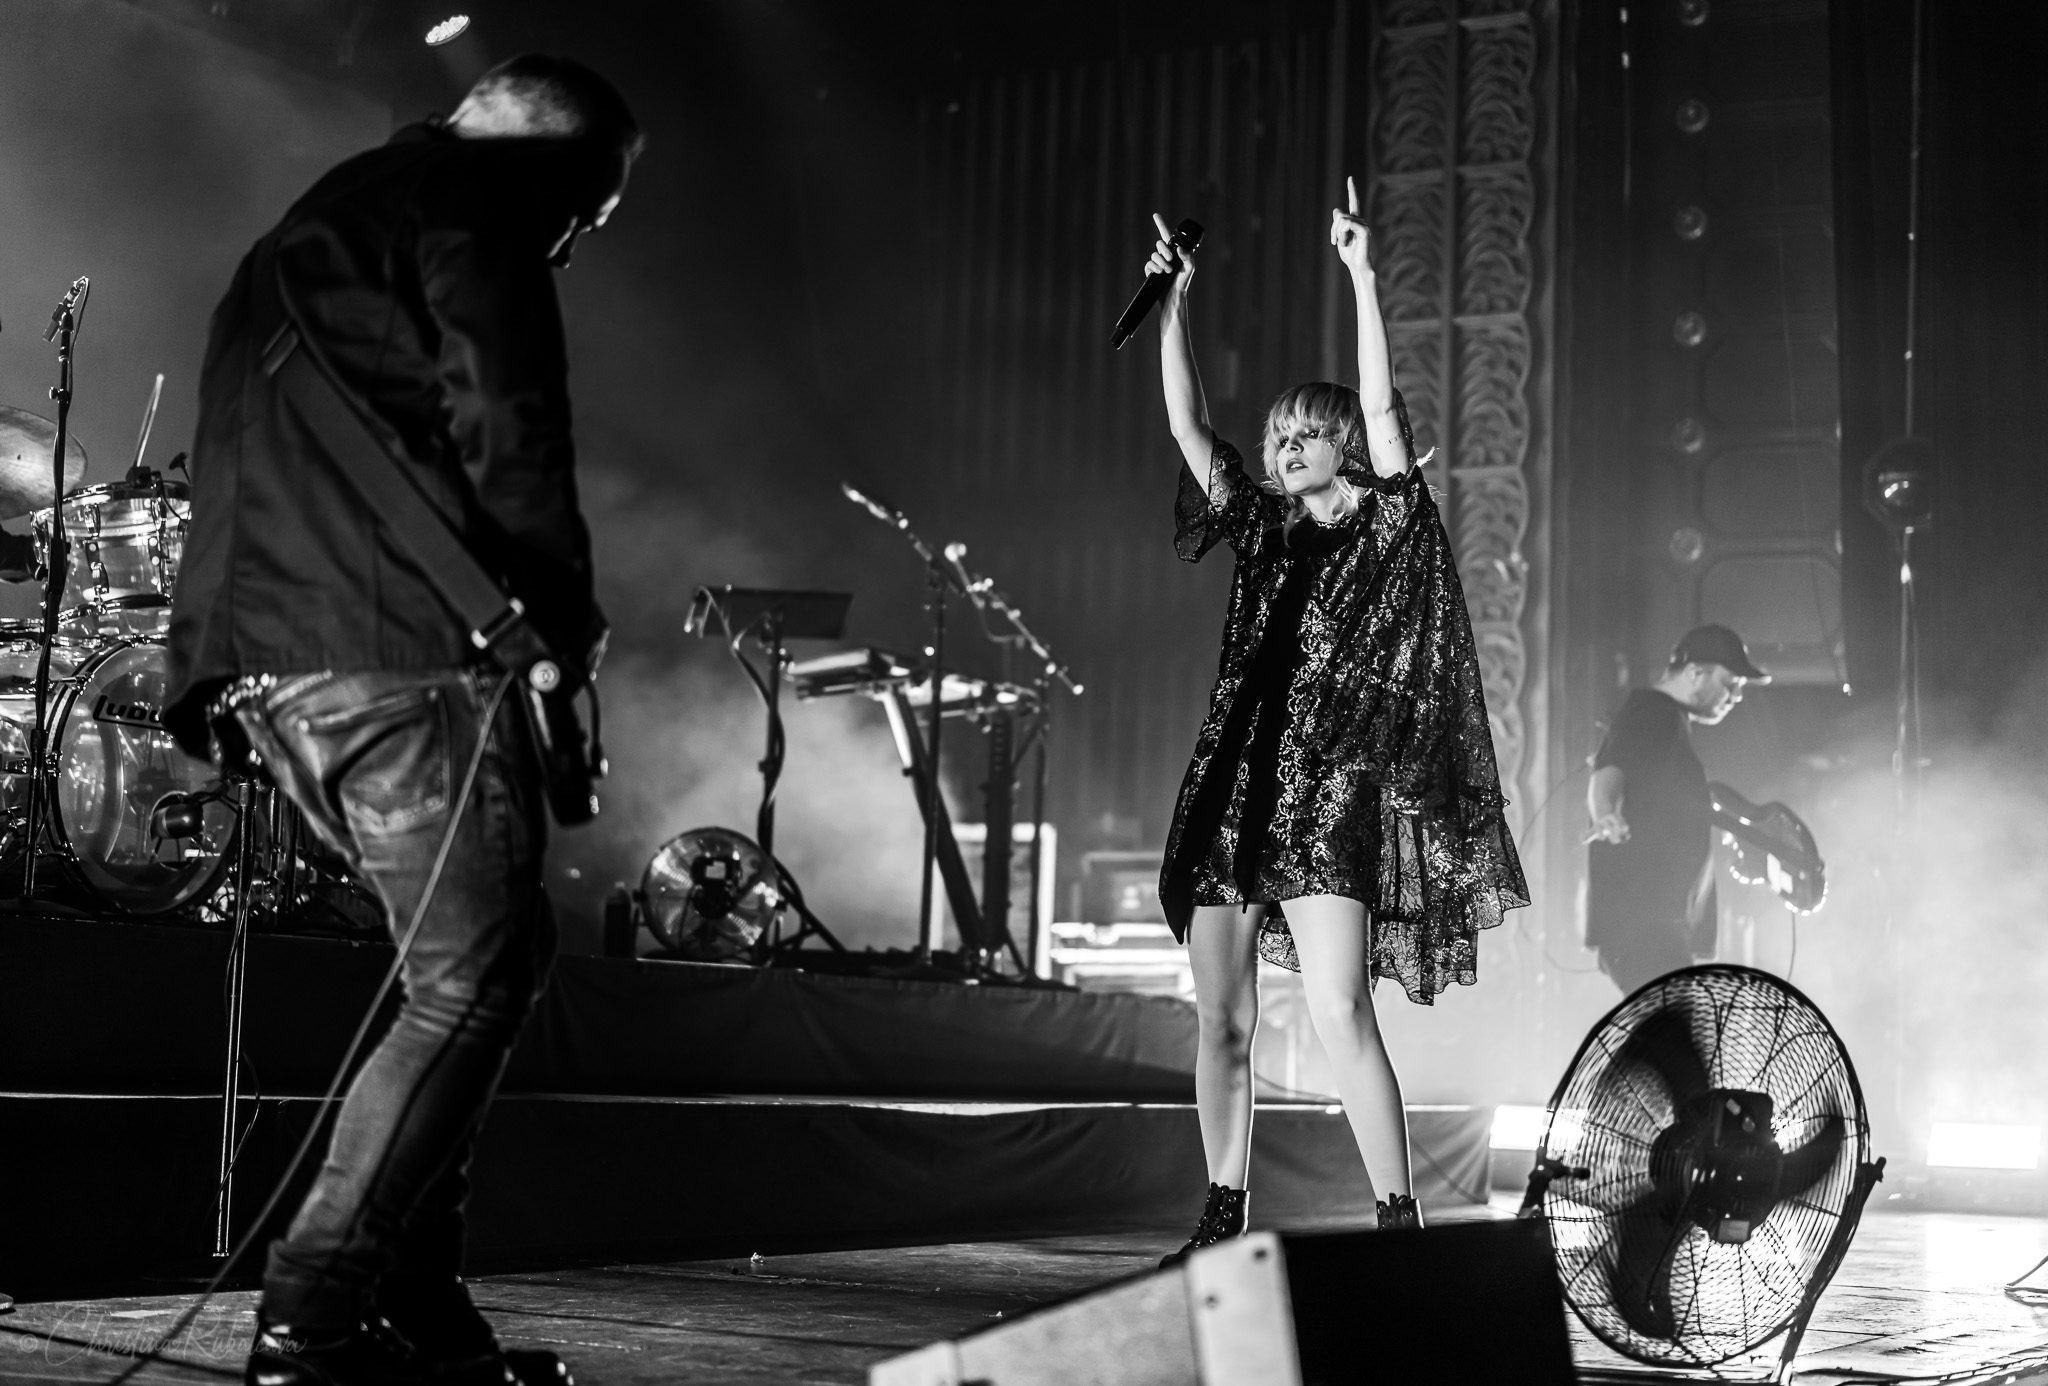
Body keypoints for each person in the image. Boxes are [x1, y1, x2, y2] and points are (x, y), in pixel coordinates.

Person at [164, 54, 641, 1386]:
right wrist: (558, 615)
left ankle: (416, 1310)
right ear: (555, 161)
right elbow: (508, 415)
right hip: (391, 654)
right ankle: (313, 1318)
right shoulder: (478, 201)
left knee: (486, 954)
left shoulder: (316, 222)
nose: (572, 243)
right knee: (472, 979)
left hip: (265, 663)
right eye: (585, 216)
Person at [1149, 181, 1528, 1262]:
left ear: (1341, 447)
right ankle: (1220, 1218)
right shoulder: (1258, 526)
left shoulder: (1385, 525)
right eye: (1277, 437)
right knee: (1219, 1018)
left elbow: (1388, 407)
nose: (1286, 449)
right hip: (1232, 783)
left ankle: (1395, 1220)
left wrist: (1361, 272)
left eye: (1308, 434)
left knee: (1336, 1010)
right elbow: (1184, 422)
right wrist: (1172, 303)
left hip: (1327, 796)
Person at [1582, 623, 1769, 994]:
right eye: (1730, 684)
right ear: (1695, 672)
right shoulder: (1653, 713)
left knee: (1670, 1039)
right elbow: (1609, 771)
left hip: (1654, 925)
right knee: (1677, 1037)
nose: (1735, 697)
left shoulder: (1666, 720)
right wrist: (1606, 813)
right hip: (1644, 925)